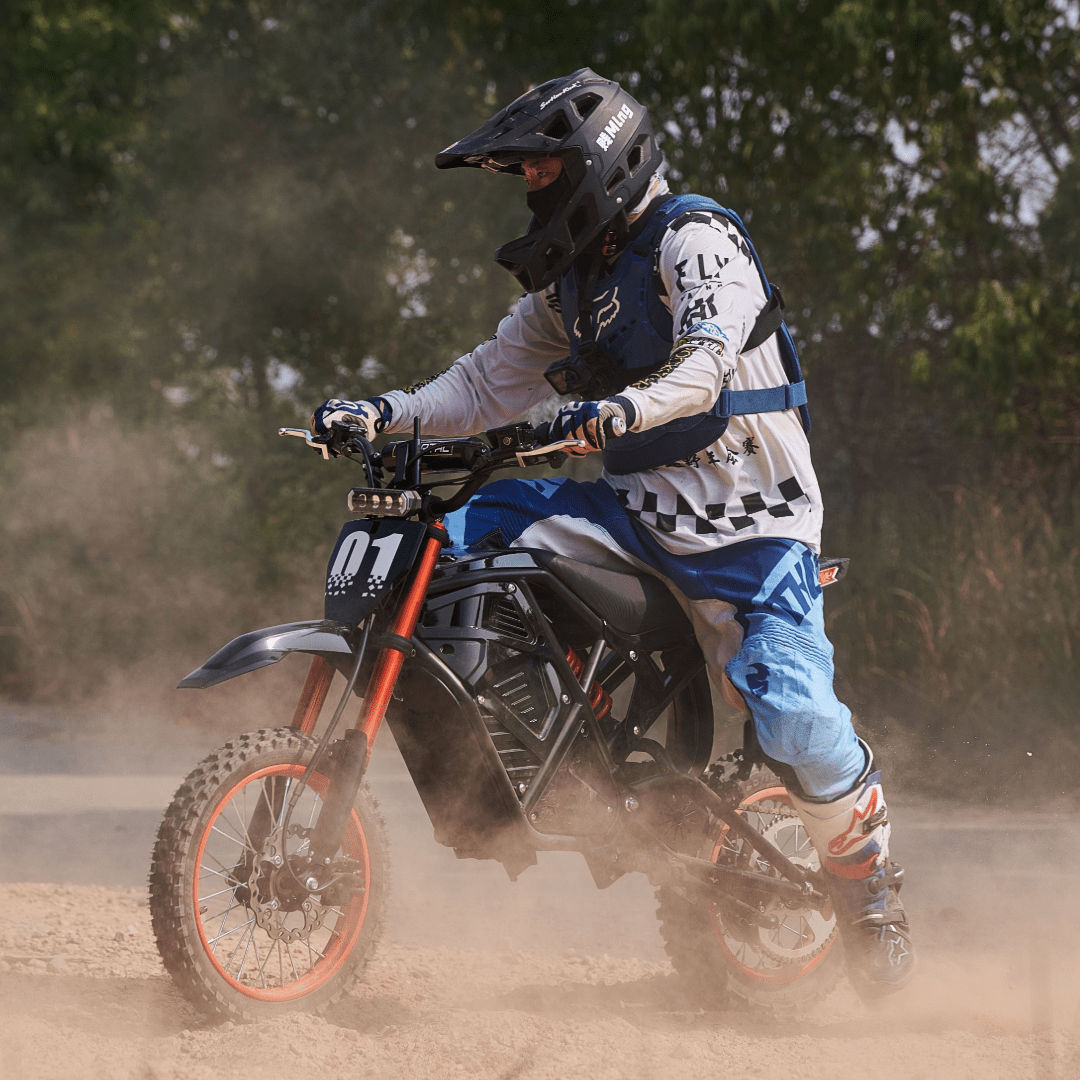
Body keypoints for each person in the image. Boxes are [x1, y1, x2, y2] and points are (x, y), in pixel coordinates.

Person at [311, 69, 914, 999]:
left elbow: (706, 365)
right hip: (634, 515)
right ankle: (553, 751)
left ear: (600, 163)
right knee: (453, 538)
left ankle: (868, 887)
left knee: (794, 716)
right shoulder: (573, 285)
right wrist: (383, 412)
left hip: (753, 533)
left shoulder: (695, 240)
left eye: (541, 172)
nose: (531, 191)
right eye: (525, 176)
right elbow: (483, 385)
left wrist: (616, 412)